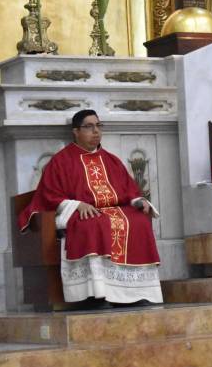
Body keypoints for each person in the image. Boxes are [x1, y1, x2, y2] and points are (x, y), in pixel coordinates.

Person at [18, 110, 163, 305]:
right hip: (78, 211)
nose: (96, 131)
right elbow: (49, 194)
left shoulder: (111, 160)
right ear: (76, 132)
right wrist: (77, 204)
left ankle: (136, 293)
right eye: (89, 127)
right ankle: (98, 295)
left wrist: (139, 201)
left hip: (110, 210)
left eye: (98, 126)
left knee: (139, 221)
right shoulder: (61, 161)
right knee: (95, 223)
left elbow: (129, 189)